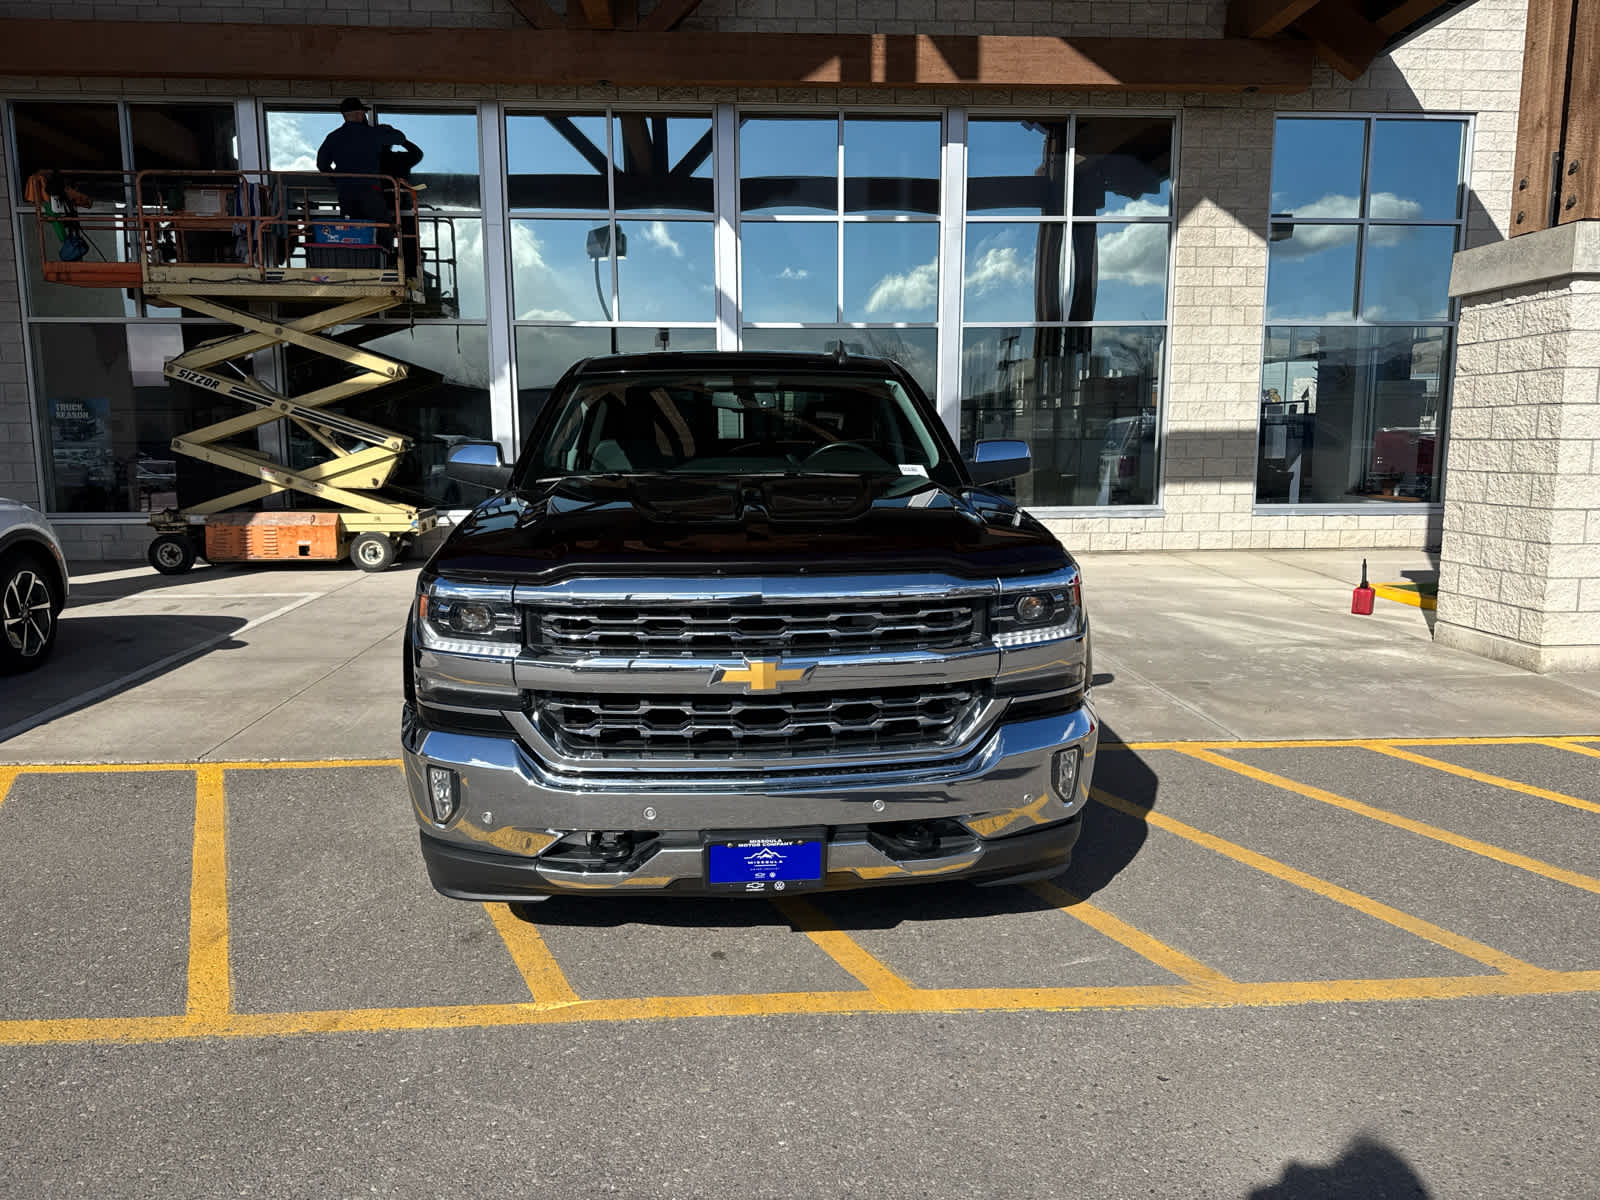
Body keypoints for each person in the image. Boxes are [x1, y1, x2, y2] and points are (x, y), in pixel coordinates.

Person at [316, 97, 408, 226]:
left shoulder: (333, 137)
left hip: (346, 192)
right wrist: (386, 129)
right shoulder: (373, 133)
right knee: (381, 226)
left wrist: (338, 180)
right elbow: (400, 138)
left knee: (352, 229)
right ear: (359, 113)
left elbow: (322, 164)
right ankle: (384, 246)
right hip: (370, 189)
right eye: (363, 113)